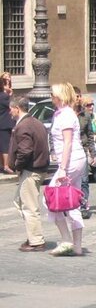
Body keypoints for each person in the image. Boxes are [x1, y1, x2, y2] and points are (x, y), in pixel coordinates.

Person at [47, 82, 87, 256]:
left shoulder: (66, 115)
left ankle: (66, 240)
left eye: (53, 94)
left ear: (60, 96)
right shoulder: (63, 113)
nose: (51, 97)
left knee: (51, 197)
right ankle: (77, 246)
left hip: (71, 161)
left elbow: (68, 142)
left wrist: (62, 168)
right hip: (75, 160)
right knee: (72, 201)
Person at [7, 96, 50, 252]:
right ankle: (33, 234)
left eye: (11, 109)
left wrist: (17, 166)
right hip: (39, 169)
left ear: (17, 109)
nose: (10, 112)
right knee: (19, 201)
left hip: (31, 170)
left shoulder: (23, 126)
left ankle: (36, 240)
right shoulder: (36, 123)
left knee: (29, 206)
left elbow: (25, 151)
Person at [0, 75, 15, 173]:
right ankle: (5, 165)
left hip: (2, 123)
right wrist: (10, 95)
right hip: (4, 124)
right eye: (6, 83)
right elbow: (11, 106)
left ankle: (2, 165)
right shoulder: (4, 96)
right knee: (5, 146)